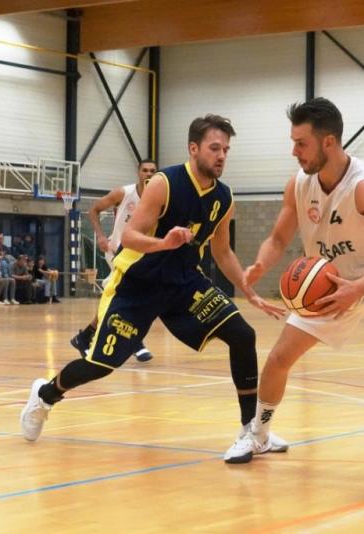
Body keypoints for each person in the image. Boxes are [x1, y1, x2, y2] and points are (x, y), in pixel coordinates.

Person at [20, 115, 288, 458]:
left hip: (184, 284)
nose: (221, 155)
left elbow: (222, 252)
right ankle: (44, 396)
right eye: (214, 148)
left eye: (226, 150)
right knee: (100, 364)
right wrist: (165, 243)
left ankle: (252, 431)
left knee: (243, 335)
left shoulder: (224, 197)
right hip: (137, 284)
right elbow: (130, 236)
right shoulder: (165, 183)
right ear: (194, 148)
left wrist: (250, 292)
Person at [225, 98, 364, 485]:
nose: (294, 151)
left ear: (328, 142)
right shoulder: (298, 184)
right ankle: (258, 434)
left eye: (301, 143)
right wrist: (260, 264)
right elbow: (278, 238)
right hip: (326, 283)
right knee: (278, 359)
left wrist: (358, 288)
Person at [70, 159, 158, 363]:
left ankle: (85, 337)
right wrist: (101, 236)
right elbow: (93, 210)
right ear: (138, 172)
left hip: (140, 254)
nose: (148, 174)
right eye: (145, 170)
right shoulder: (124, 193)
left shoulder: (158, 198)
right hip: (118, 251)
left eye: (152, 171)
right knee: (134, 296)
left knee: (118, 298)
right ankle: (135, 342)